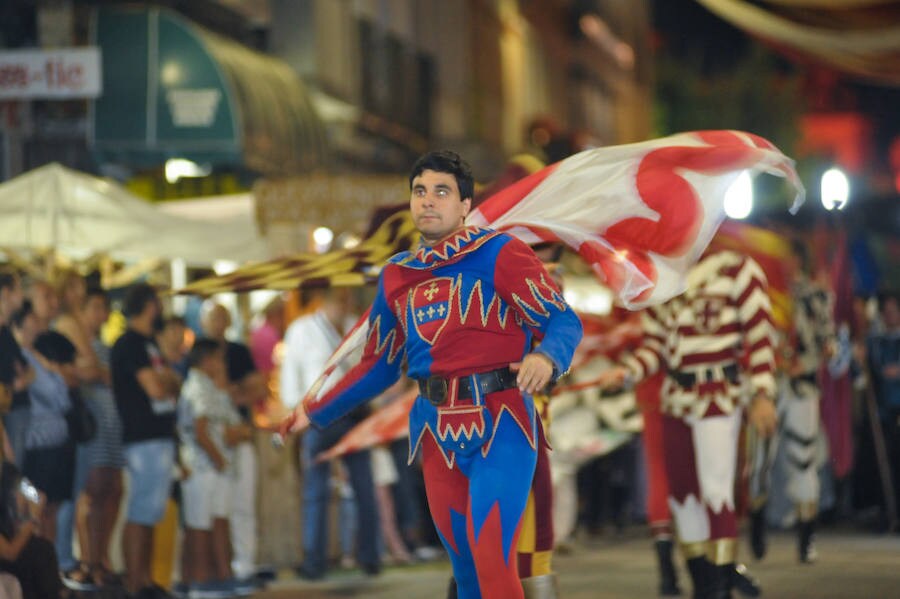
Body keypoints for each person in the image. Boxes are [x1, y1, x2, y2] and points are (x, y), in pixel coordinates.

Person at [282, 150, 583, 599]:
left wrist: (546, 357)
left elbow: (563, 322)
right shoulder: (397, 275)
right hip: (435, 432)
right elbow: (378, 367)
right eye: (419, 191)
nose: (428, 201)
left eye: (441, 192)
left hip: (502, 423)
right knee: (464, 572)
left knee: (491, 561)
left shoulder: (501, 253)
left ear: (464, 205)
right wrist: (315, 410)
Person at [602, 249, 778, 599]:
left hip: (718, 394)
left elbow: (760, 333)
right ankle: (703, 584)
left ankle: (720, 587)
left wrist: (762, 393)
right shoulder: (664, 278)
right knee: (682, 498)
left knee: (716, 493)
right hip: (676, 399)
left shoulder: (737, 269)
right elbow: (656, 346)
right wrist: (627, 373)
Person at [280, 287, 380, 580]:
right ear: (323, 297)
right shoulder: (303, 329)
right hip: (320, 415)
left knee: (364, 487)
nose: (345, 300)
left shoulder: (357, 325)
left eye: (346, 296)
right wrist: (296, 412)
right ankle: (315, 561)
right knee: (316, 491)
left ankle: (370, 556)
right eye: (339, 295)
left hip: (354, 413)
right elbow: (291, 375)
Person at [111, 283, 181, 599]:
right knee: (141, 510)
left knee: (152, 511)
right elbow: (156, 386)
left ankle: (147, 580)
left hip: (158, 435)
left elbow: (172, 381)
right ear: (149, 305)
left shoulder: (148, 343)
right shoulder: (129, 344)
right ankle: (135, 584)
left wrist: (166, 381)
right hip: (143, 437)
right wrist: (167, 381)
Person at [177, 338, 252, 597]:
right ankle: (200, 578)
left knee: (218, 520)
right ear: (207, 359)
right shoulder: (197, 386)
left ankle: (222, 574)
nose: (222, 364)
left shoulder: (208, 386)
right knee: (199, 524)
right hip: (202, 466)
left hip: (215, 466)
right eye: (218, 359)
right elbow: (200, 429)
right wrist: (217, 457)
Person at [199, 303, 263, 584]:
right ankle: (218, 569)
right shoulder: (198, 356)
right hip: (214, 443)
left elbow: (257, 387)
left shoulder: (238, 351)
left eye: (222, 317)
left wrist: (234, 393)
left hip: (239, 435)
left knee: (243, 503)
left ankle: (244, 564)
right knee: (215, 509)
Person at [73, 288, 125, 586]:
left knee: (113, 490)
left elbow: (107, 376)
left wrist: (100, 373)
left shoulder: (106, 348)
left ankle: (102, 558)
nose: (100, 314)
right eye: (94, 306)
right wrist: (98, 373)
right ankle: (89, 560)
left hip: (112, 428)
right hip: (90, 430)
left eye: (103, 308)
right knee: (90, 493)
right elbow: (90, 374)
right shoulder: (78, 344)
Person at [21, 329, 78, 544]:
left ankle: (48, 562)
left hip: (58, 447)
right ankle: (35, 565)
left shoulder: (45, 368)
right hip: (38, 450)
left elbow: (66, 399)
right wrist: (56, 373)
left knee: (52, 506)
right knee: (36, 506)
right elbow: (59, 397)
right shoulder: (29, 361)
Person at [0, 461, 64, 599]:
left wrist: (28, 509)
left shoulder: (8, 472)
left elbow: (35, 496)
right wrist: (33, 519)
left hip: (13, 548)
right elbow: (9, 553)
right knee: (36, 555)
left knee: (42, 548)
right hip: (7, 559)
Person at [867, 293, 900, 527]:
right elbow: (870, 374)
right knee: (884, 463)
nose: (889, 316)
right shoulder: (877, 341)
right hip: (884, 412)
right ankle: (888, 513)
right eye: (885, 312)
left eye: (893, 311)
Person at [0, 270, 32, 467]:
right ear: (5, 292)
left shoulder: (6, 332)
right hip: (8, 413)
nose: (23, 295)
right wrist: (14, 386)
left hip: (11, 411)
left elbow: (28, 370)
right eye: (19, 289)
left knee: (12, 470)